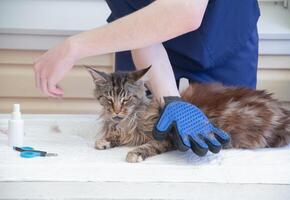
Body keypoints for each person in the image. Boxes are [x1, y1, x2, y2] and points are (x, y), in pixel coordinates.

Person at [33, 0, 260, 156]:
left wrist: (74, 47)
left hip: (220, 33)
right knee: (136, 138)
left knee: (227, 144)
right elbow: (139, 20)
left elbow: (184, 10)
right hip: (140, 32)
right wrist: (170, 100)